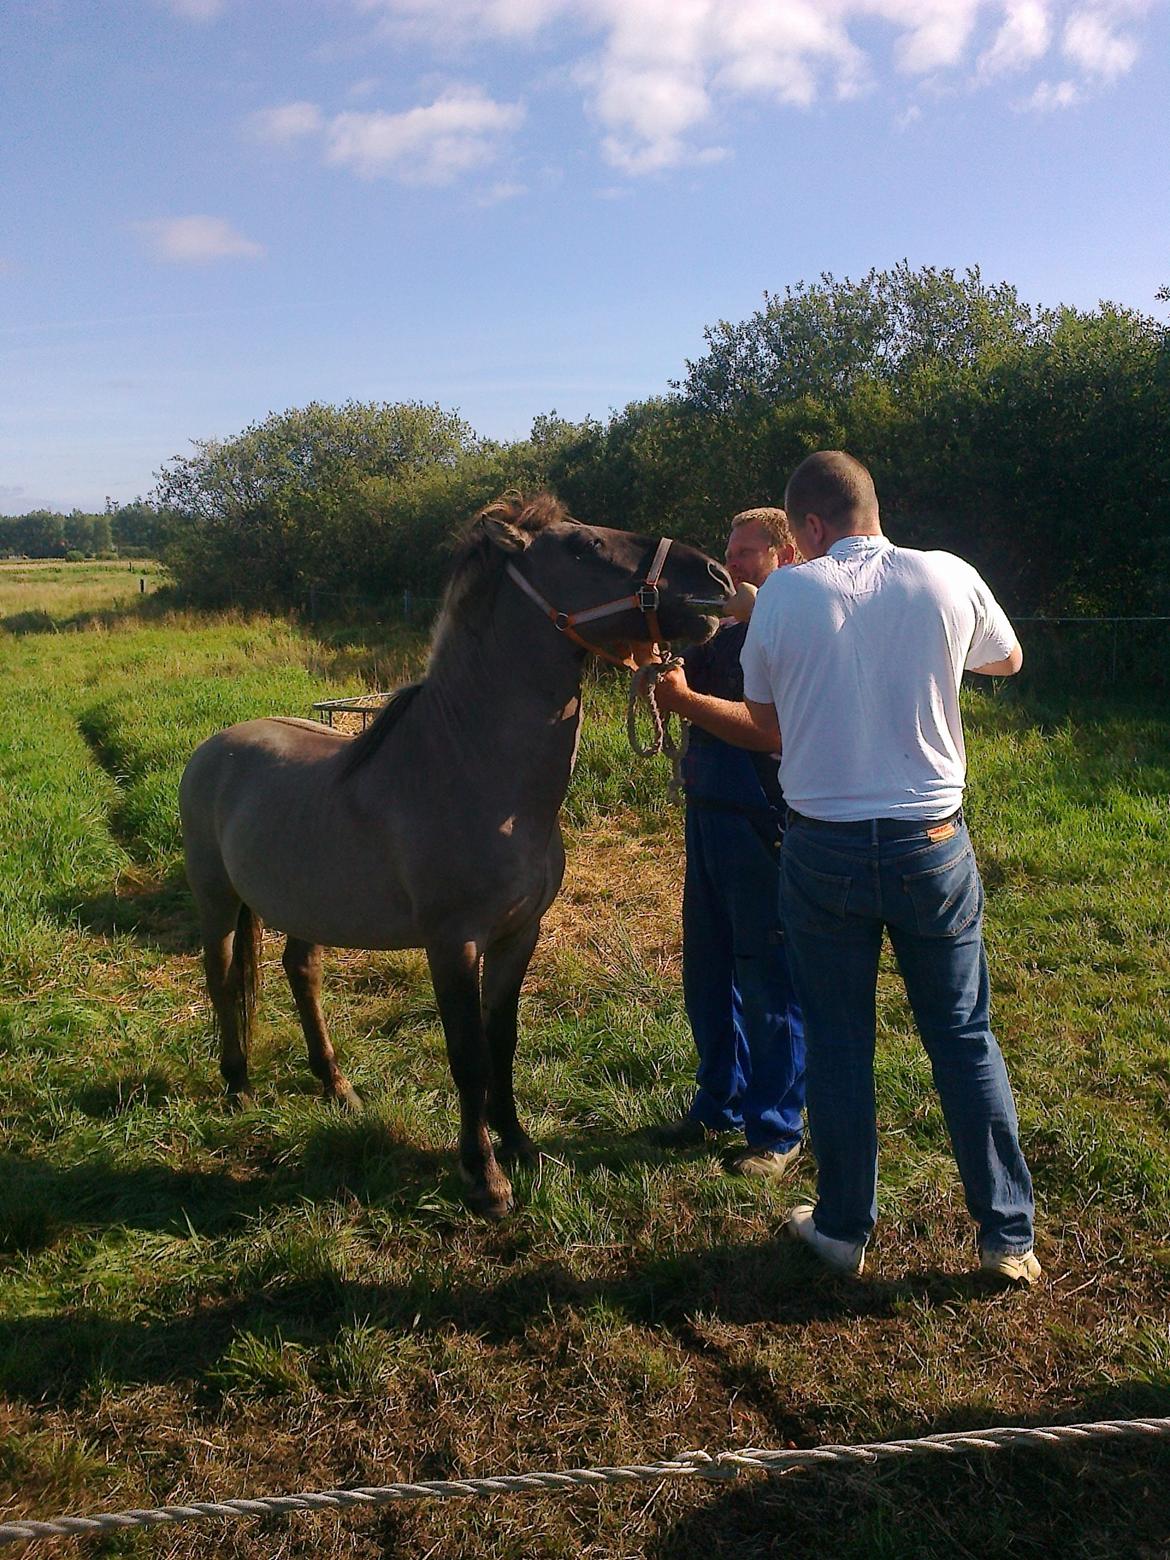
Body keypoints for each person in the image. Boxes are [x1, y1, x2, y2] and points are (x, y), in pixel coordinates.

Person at [655, 453, 1038, 1284]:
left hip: (822, 845)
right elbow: (1006, 661)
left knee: (838, 1039)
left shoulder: (789, 594)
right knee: (964, 1036)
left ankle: (840, 1230)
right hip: (931, 843)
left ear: (813, 529)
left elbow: (763, 716)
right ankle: (1008, 1238)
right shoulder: (946, 575)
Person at [656, 508, 806, 1181]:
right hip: (708, 812)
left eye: (748, 553)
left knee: (767, 978)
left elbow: (766, 731)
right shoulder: (726, 631)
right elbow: (681, 675)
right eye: (730, 550)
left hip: (760, 818)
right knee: (709, 974)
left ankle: (775, 1131)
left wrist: (682, 701)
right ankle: (719, 1102)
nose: (732, 565)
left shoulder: (792, 627)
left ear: (788, 555)